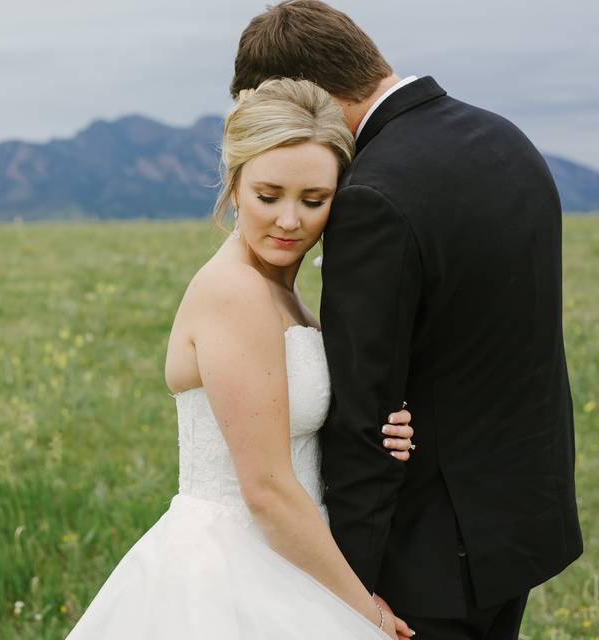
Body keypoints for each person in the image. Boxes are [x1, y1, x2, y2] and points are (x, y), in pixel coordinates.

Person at [228, 2, 583, 639]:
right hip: (521, 523)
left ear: (308, 98)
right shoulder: (505, 137)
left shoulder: (372, 195)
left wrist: (350, 592)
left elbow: (369, 410)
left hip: (425, 557)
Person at [66, 78, 417, 640]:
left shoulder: (283, 291)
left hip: (291, 548)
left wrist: (379, 429)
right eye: (267, 195)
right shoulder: (236, 293)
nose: (288, 221)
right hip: (237, 562)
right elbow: (267, 489)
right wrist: (366, 613)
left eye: (314, 200)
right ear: (233, 186)